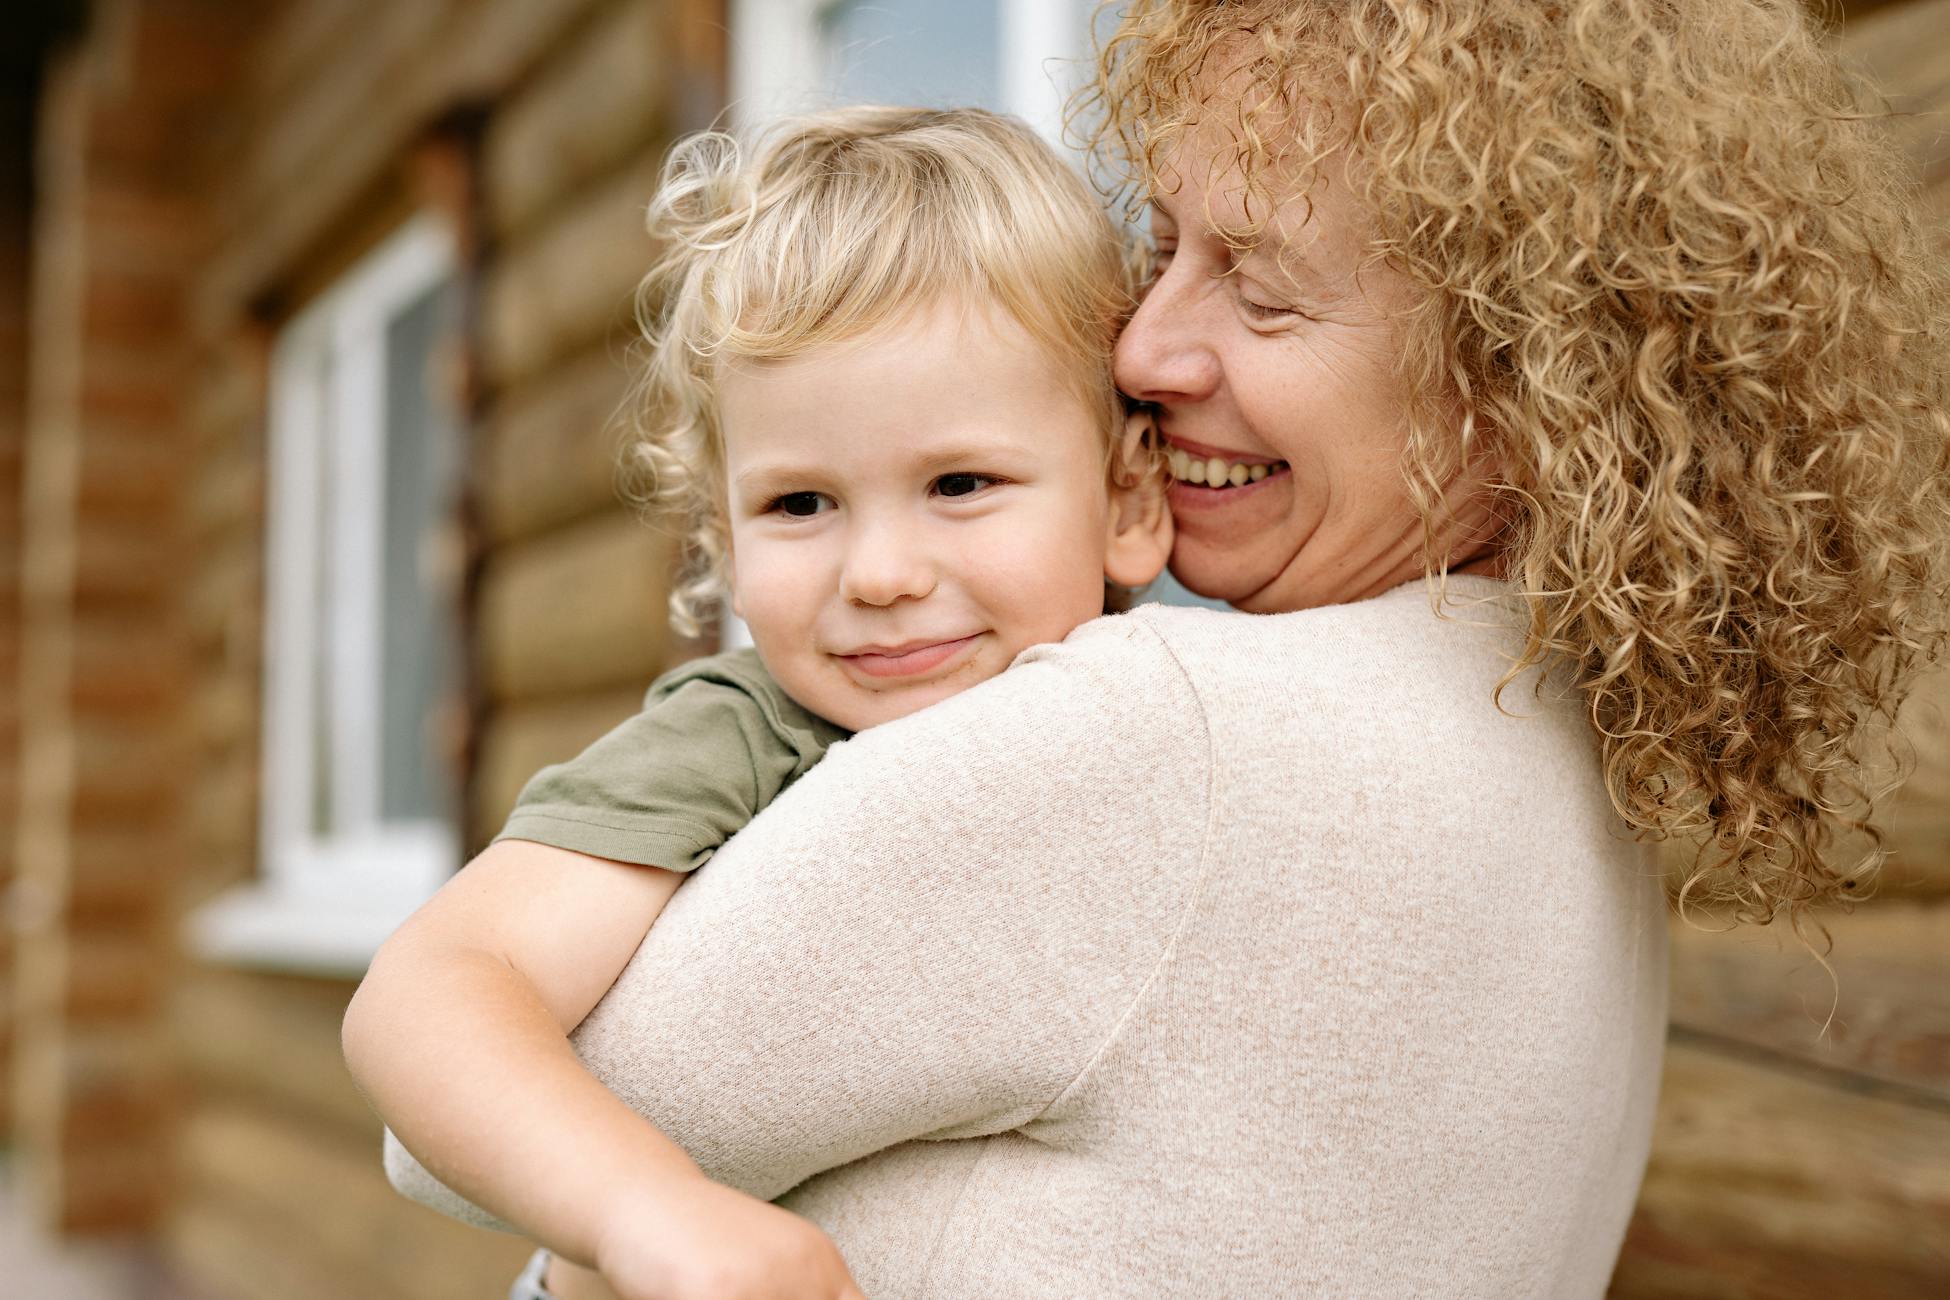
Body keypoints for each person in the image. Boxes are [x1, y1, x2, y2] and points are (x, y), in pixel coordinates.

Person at [345, 2, 1950, 1297]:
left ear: (1518, 365)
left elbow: (453, 1145)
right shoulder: (1564, 747)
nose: (1141, 346)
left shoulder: (1156, 740)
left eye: (1254, 290)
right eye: (1162, 244)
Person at [346, 105, 1172, 1299]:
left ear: (1130, 501)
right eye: (799, 505)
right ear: (722, 543)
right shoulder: (747, 734)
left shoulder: (1181, 711)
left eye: (960, 482)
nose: (880, 573)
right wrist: (648, 1212)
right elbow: (427, 990)